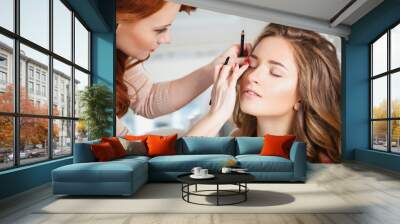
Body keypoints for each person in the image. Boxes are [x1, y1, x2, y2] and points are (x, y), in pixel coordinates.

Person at [186, 23, 341, 163]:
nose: (252, 76)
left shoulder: (322, 162)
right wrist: (216, 114)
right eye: (252, 65)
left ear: (304, 94)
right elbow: (172, 170)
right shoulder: (236, 140)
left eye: (275, 73)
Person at [116, 0, 251, 135]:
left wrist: (215, 67)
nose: (167, 39)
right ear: (118, 17)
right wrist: (217, 115)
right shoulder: (95, 81)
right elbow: (122, 152)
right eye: (159, 29)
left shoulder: (114, 55)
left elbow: (147, 99)